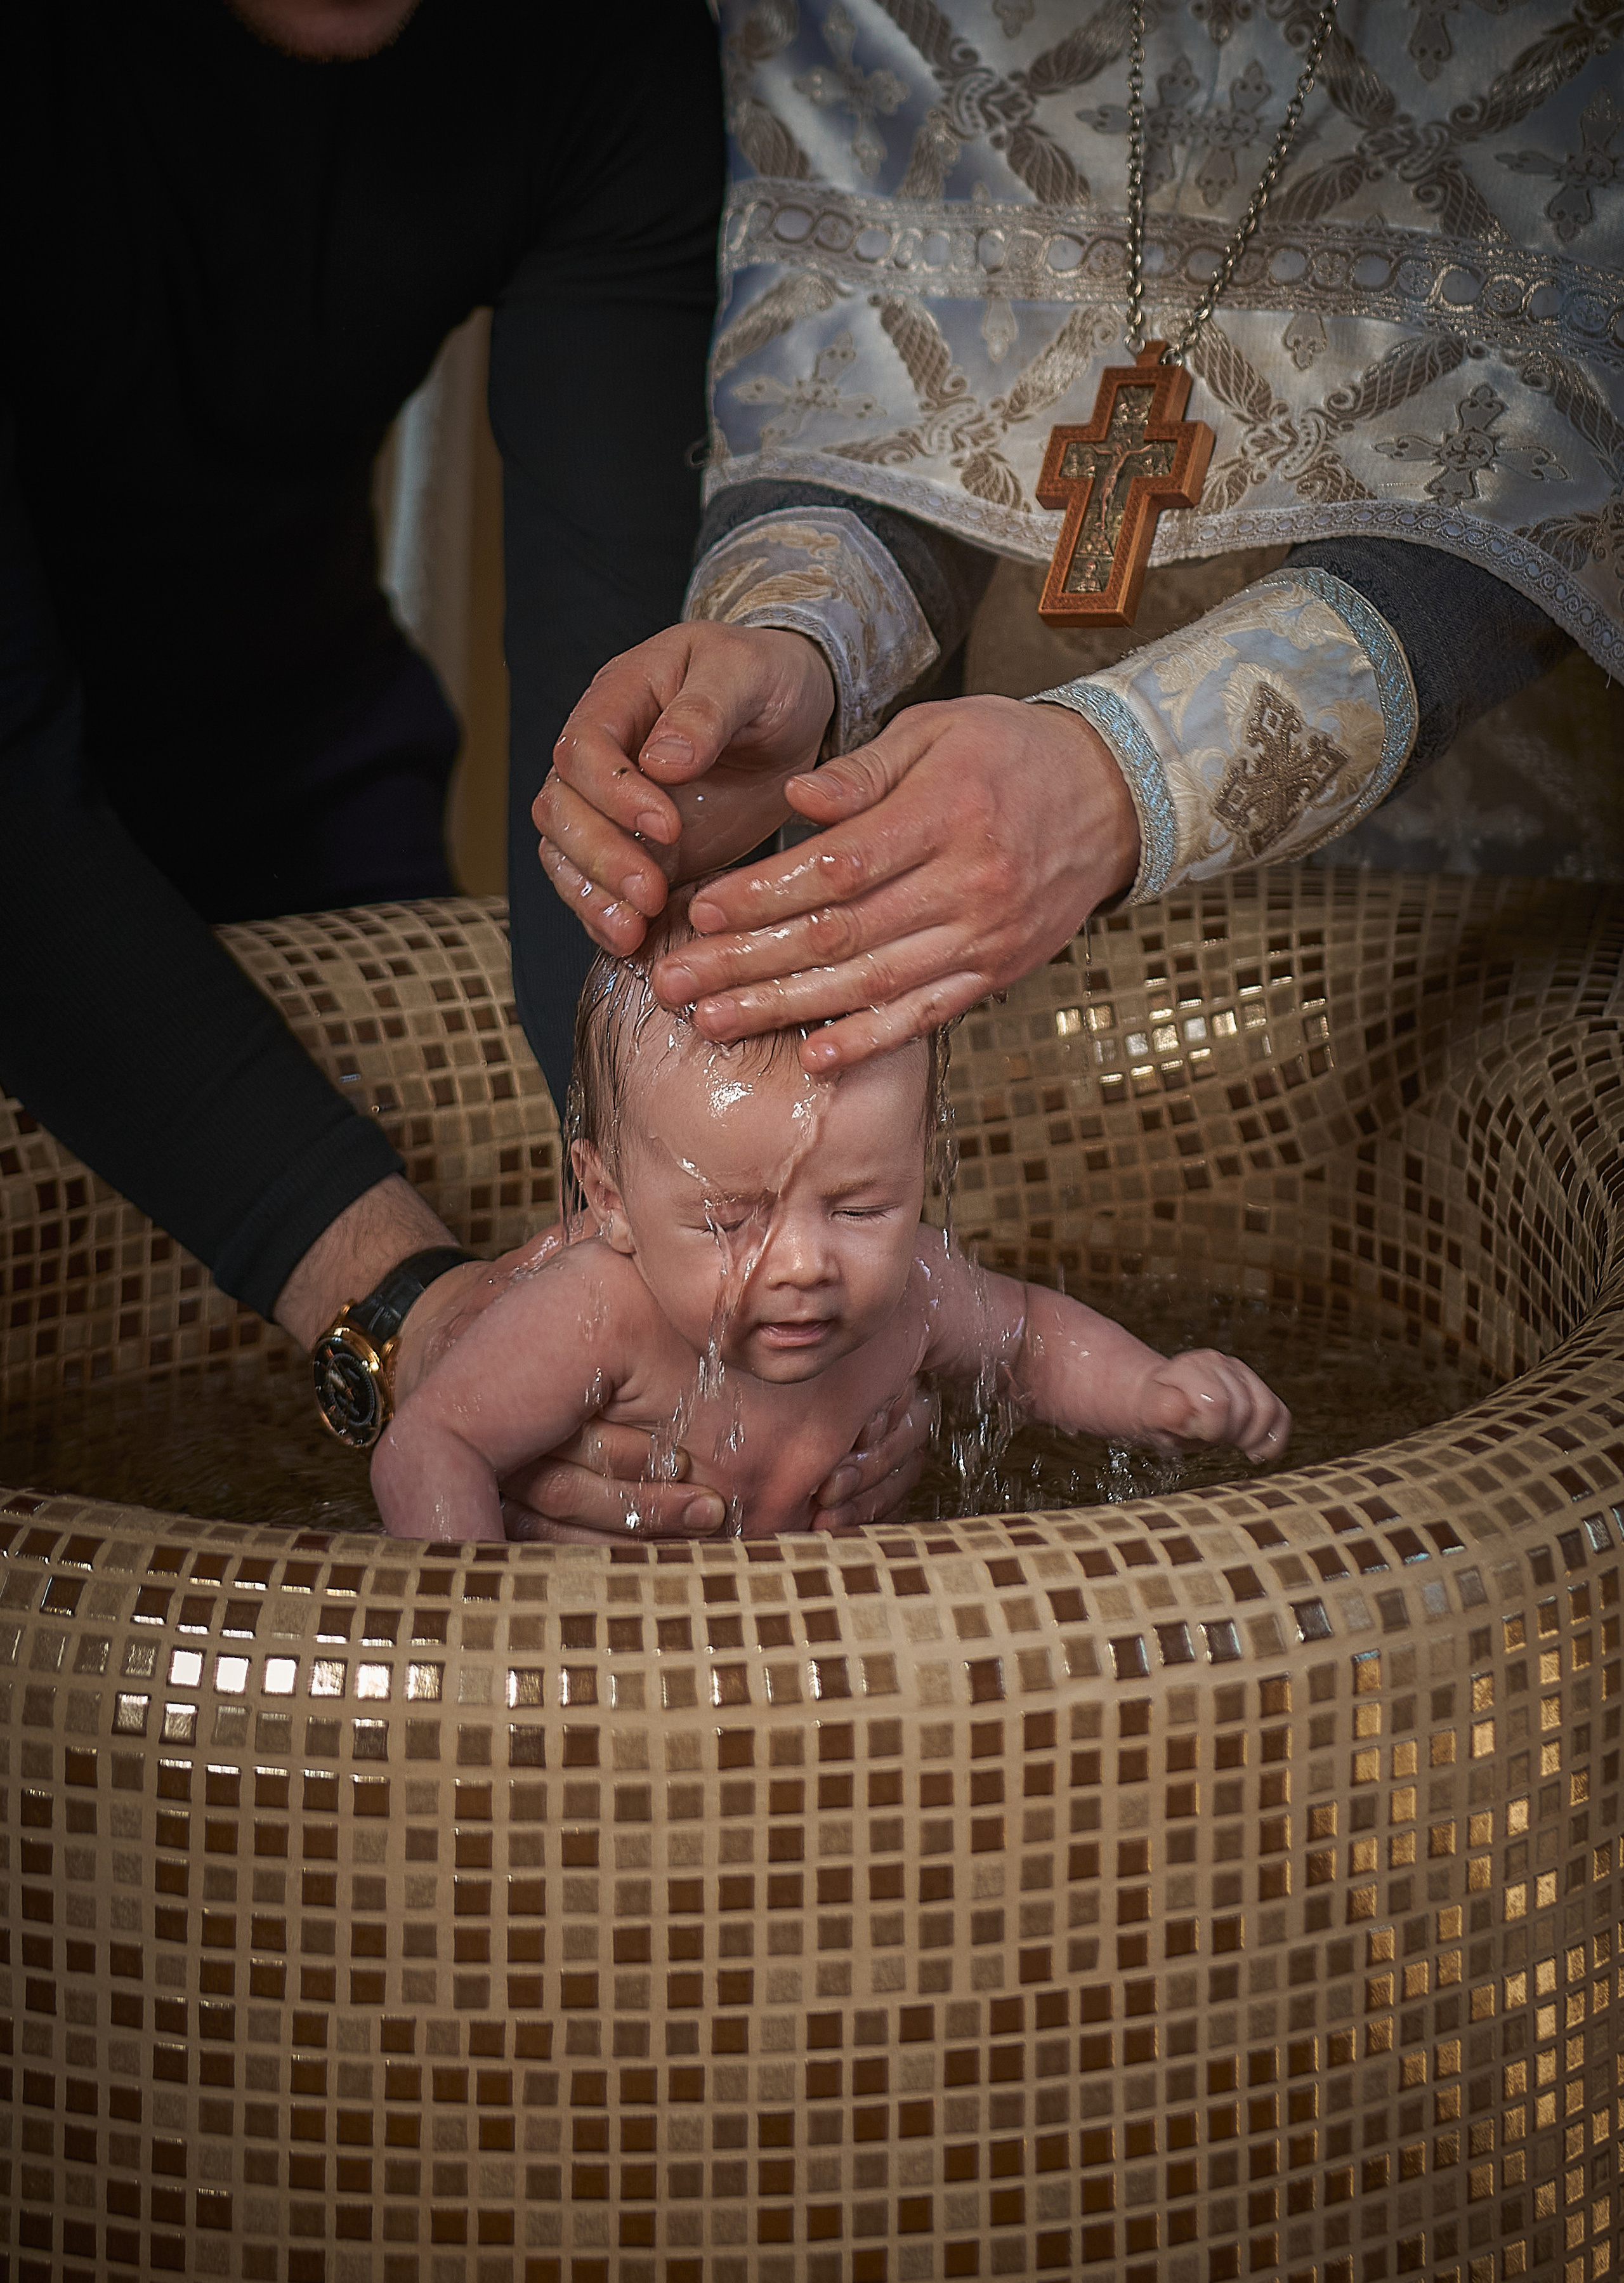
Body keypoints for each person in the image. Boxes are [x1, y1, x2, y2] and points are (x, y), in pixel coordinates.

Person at [0, 0, 923, 1536]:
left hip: (301, 772)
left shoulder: (597, 45)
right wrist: (402, 1307)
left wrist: (682, 1322)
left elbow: (621, 749)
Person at [535, 0, 1621, 1071]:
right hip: (975, 909)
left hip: (1465, 911)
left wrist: (1127, 774)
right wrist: (794, 635)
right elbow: (881, 375)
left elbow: (1547, 440)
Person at [370, 911, 1290, 1540]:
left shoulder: (916, 1294)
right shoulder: (596, 1316)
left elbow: (1033, 1342)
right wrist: (479, 1635)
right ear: (608, 1200)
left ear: (923, 1164)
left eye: (861, 1208)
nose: (805, 1263)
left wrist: (1153, 1392)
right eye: (731, 1221)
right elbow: (429, 1443)